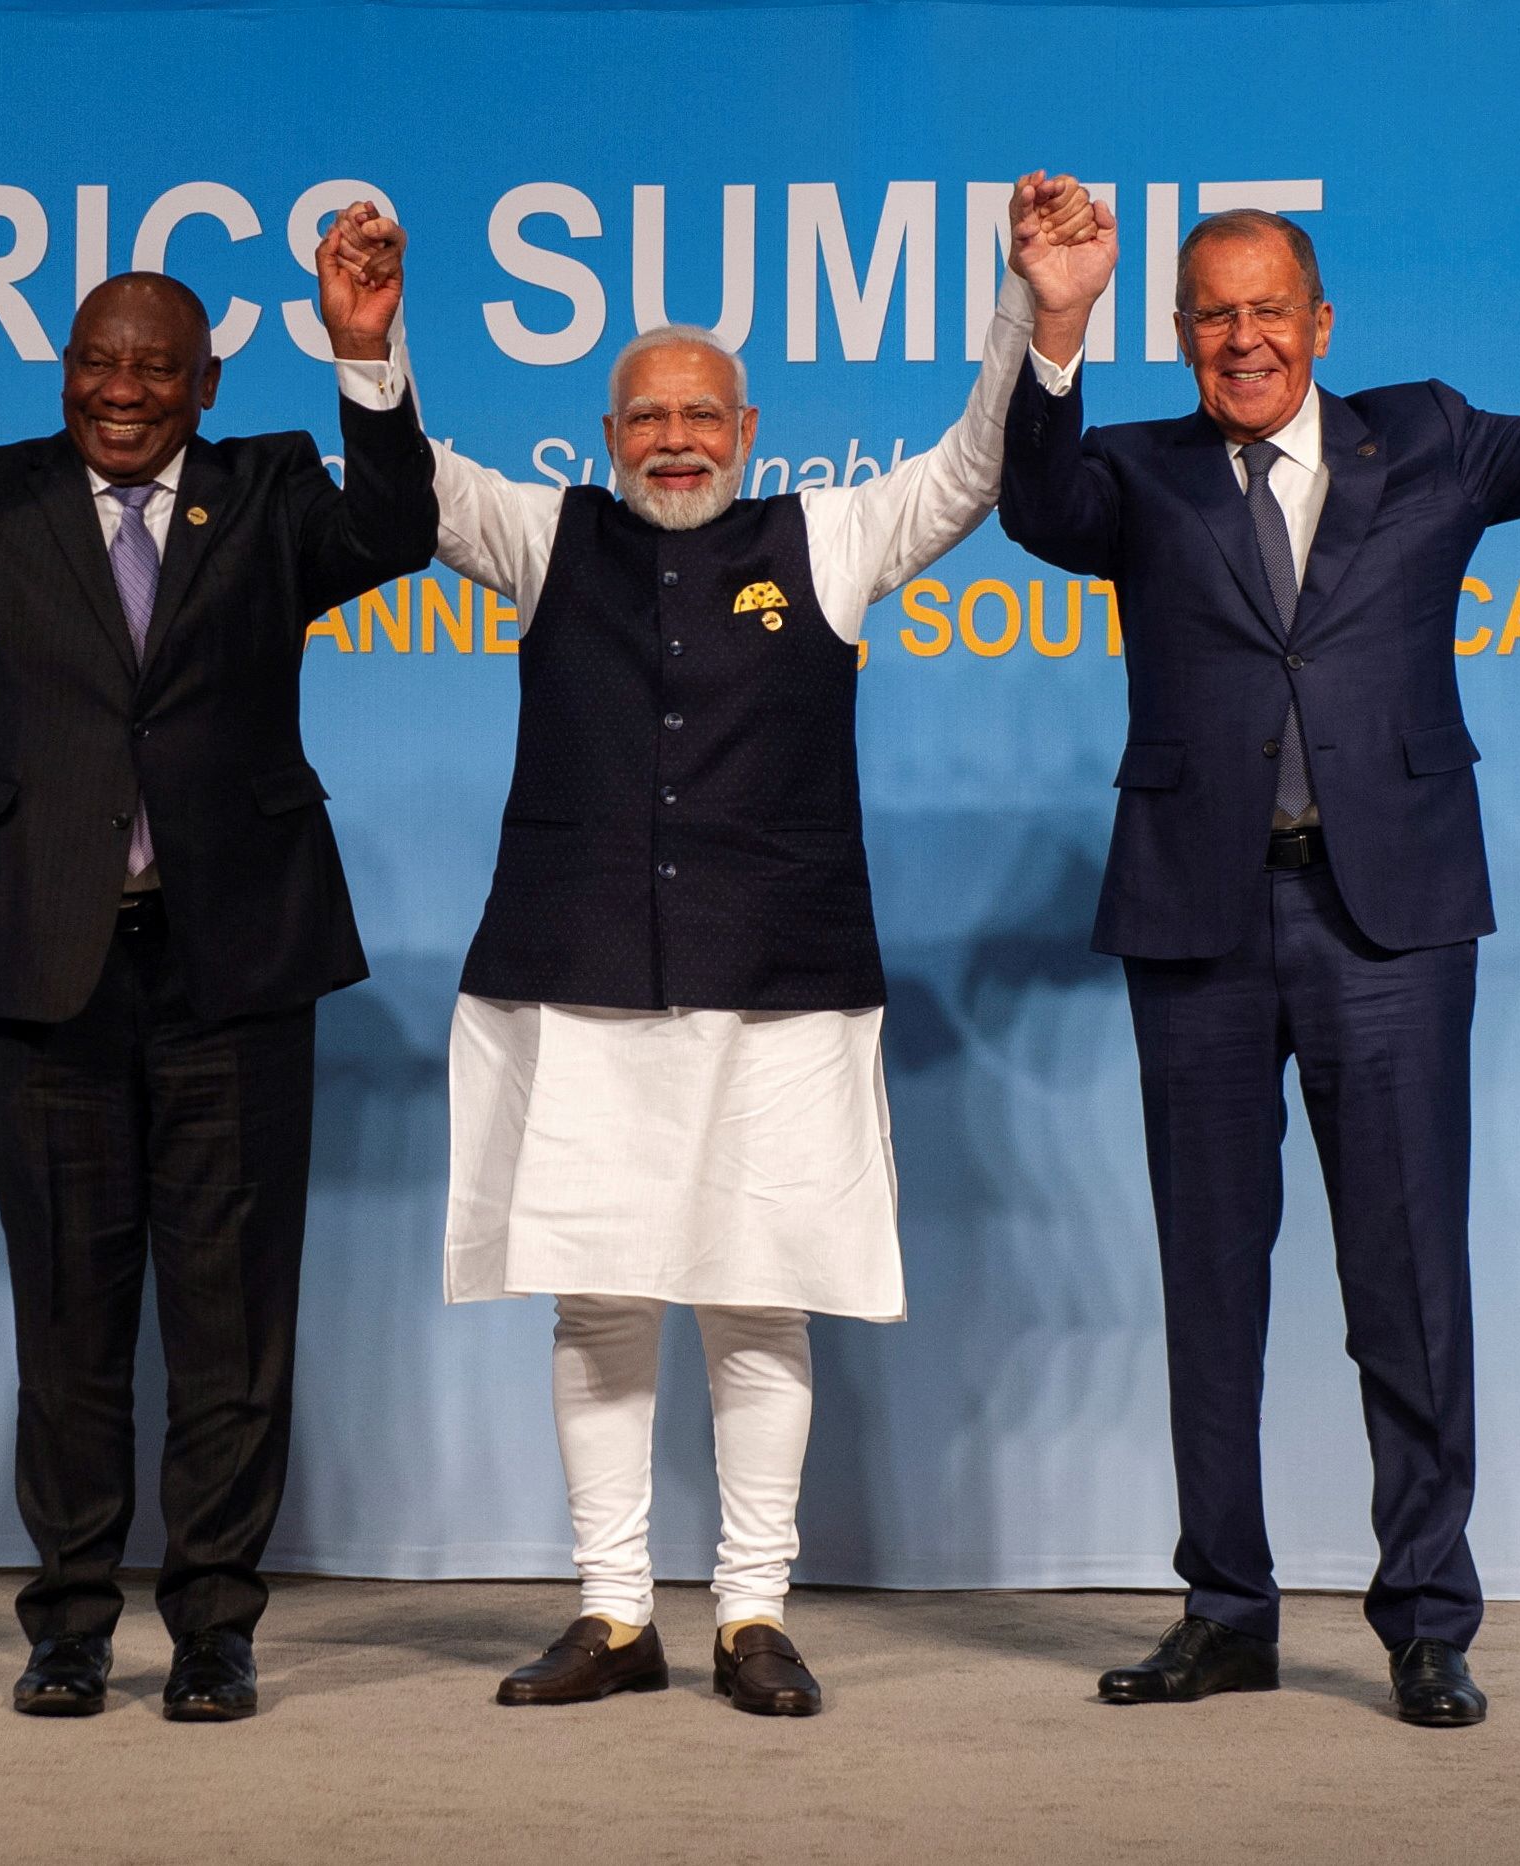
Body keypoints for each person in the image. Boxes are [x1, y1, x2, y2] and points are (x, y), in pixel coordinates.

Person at [999, 96, 1520, 1727]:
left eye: (1269, 311)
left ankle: (1427, 1618)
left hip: (1388, 921)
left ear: (1324, 323)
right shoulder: (1135, 473)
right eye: (1212, 315)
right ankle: (1226, 1608)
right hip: (1198, 922)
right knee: (1211, 1279)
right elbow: (1035, 508)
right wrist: (1057, 320)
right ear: (1179, 335)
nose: (1243, 337)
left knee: (1406, 1278)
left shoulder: (1432, 439)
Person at [428, 176, 1093, 1717]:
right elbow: (418, 485)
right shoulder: (546, 540)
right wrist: (373, 352)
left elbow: (977, 467)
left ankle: (748, 1612)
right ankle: (609, 1611)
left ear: (748, 430)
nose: (676, 438)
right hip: (581, 978)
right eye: (646, 416)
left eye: (703, 416)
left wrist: (1032, 311)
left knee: (757, 1291)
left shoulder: (836, 536)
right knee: (593, 1295)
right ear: (608, 440)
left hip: (781, 989)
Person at [0, 205, 437, 1720]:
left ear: (208, 382)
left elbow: (397, 530)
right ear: (63, 370)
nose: (123, 389)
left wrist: (367, 356)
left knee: (230, 1323)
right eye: (97, 362)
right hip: (43, 961)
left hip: (234, 965)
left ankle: (214, 1623)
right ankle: (68, 1620)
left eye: (156, 368)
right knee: (69, 1318)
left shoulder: (270, 488)